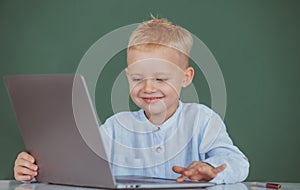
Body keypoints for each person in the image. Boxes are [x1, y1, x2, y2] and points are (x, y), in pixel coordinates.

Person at [14, 17, 249, 184]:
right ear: (127, 77)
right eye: (138, 78)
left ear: (185, 78)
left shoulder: (202, 120)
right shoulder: (116, 127)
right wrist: (35, 170)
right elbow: (78, 167)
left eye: (160, 78)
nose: (148, 87)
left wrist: (210, 170)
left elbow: (237, 162)